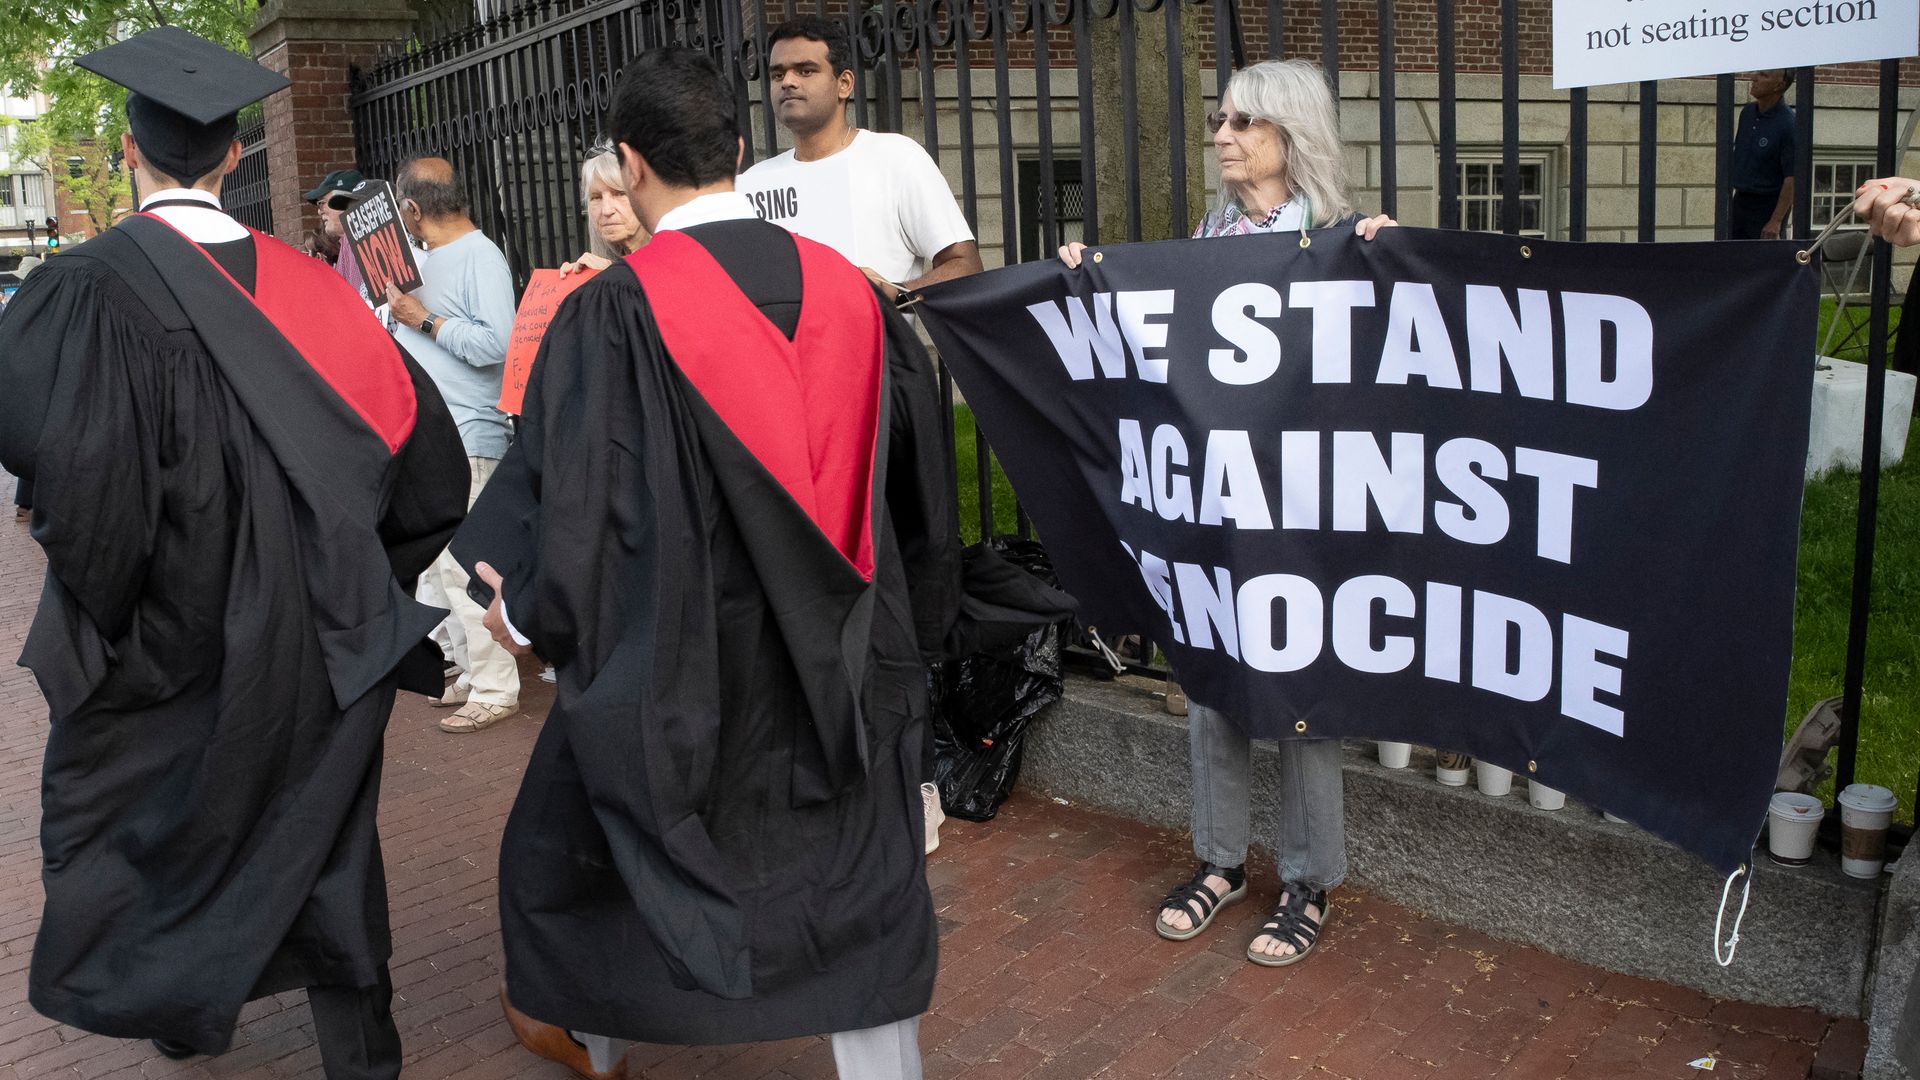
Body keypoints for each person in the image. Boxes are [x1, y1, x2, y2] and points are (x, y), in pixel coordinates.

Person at [452, 45, 960, 1080]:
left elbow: (583, 509)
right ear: (738, 148)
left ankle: (592, 1037)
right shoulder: (854, 296)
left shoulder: (617, 314)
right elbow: (918, 491)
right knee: (857, 861)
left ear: (631, 167)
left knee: (585, 831)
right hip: (845, 651)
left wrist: (533, 613)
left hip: (681, 657)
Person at [0, 26, 467, 1078]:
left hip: (171, 636)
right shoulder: (320, 294)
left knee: (159, 820)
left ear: (129, 156)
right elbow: (423, 473)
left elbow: (71, 486)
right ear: (235, 159)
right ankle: (363, 1051)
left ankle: (178, 1007)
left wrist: (116, 613)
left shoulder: (87, 288)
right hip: (313, 638)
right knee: (330, 833)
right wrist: (352, 595)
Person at [1062, 58, 1392, 968]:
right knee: (1212, 679)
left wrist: (1393, 259)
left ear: (1292, 135)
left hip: (1308, 507)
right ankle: (1219, 862)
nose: (1222, 138)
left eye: (1242, 123)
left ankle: (1308, 879)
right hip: (1217, 501)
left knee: (1304, 692)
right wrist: (1096, 279)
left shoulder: (1340, 235)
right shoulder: (1204, 238)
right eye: (1219, 121)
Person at [382, 156, 522, 733]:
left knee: (466, 569)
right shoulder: (427, 260)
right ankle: (468, 669)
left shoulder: (480, 256)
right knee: (440, 569)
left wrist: (423, 320)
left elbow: (498, 344)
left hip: (470, 433)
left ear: (412, 209)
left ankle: (496, 687)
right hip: (437, 437)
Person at [738, 15, 981, 302]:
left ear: (844, 84)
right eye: (778, 74)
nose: (788, 82)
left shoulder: (897, 159)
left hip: (874, 344)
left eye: (805, 71)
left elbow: (966, 265)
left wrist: (894, 294)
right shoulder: (753, 182)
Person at [560, 140, 650, 275]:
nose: (606, 210)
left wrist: (612, 277)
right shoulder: (605, 262)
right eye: (596, 197)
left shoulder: (675, 257)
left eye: (620, 193)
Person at [1729, 70, 1796, 241]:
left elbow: (1792, 178)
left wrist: (1776, 220)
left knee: (1762, 264)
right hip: (1740, 201)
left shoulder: (1789, 123)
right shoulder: (1748, 113)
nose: (1754, 78)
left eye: (1764, 75)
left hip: (1766, 206)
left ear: (1779, 85)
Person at [305, 168, 370, 299]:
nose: (319, 211)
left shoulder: (361, 242)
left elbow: (356, 303)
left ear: (346, 202)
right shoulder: (347, 242)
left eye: (322, 203)